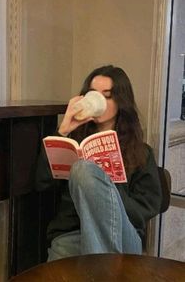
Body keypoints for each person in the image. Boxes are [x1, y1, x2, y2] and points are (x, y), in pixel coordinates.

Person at [35, 65, 162, 261]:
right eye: (93, 94)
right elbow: (42, 183)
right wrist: (64, 129)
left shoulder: (141, 152)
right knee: (82, 168)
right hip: (73, 235)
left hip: (122, 235)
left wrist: (106, 188)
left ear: (121, 101)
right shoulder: (74, 142)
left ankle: (99, 265)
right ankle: (105, 268)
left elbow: (143, 211)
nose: (99, 100)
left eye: (108, 95)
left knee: (84, 169)